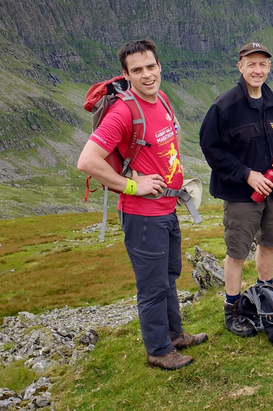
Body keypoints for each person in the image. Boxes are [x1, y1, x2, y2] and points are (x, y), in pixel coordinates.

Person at [77, 39, 207, 371]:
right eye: (137, 70)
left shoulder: (161, 99)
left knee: (168, 276)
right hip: (143, 216)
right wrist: (134, 185)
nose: (147, 75)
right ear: (126, 74)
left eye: (151, 66)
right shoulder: (124, 112)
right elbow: (87, 161)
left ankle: (175, 335)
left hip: (167, 209)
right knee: (151, 285)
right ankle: (158, 351)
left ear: (159, 66)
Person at [199, 42, 273, 337]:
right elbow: (210, 148)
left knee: (269, 243)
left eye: (262, 64)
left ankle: (266, 296)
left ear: (269, 67)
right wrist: (246, 175)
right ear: (240, 66)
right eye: (251, 64)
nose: (257, 70)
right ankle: (232, 310)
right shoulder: (225, 106)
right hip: (241, 196)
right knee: (237, 253)